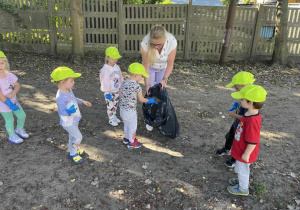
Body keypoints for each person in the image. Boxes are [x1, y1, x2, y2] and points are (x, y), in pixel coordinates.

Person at [227, 85, 267, 196]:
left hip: (244, 152)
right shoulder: (249, 113)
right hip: (241, 148)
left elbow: (253, 141)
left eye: (242, 99)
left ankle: (243, 188)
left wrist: (246, 154)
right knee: (242, 169)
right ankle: (241, 181)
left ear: (250, 103)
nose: (240, 101)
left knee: (242, 170)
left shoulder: (252, 121)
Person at [51, 67, 92, 164]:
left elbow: (73, 98)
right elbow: (62, 112)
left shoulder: (69, 90)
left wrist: (82, 101)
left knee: (72, 136)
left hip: (74, 118)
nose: (74, 82)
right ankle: (73, 153)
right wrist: (69, 111)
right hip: (68, 122)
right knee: (78, 137)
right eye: (71, 80)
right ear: (62, 82)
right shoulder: (60, 97)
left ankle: (74, 149)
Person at [140, 25, 177, 131]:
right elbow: (146, 65)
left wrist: (164, 79)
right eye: (153, 44)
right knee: (151, 92)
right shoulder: (145, 43)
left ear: (165, 40)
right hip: (150, 68)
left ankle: (160, 116)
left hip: (163, 68)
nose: (156, 47)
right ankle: (151, 119)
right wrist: (147, 84)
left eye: (159, 44)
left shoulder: (172, 41)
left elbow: (170, 64)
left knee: (161, 90)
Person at [216, 71, 255, 168]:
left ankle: (235, 159)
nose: (235, 89)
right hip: (236, 124)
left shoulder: (250, 100)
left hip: (242, 127)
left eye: (236, 87)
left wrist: (234, 115)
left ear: (244, 85)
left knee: (238, 142)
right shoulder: (244, 94)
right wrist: (237, 106)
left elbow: (247, 118)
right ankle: (227, 149)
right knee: (229, 136)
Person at [119, 63, 157, 149]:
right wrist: (151, 100)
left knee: (126, 124)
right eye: (141, 76)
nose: (142, 78)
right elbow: (141, 99)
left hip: (122, 110)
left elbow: (120, 95)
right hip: (131, 112)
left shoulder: (124, 82)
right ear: (136, 75)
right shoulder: (136, 86)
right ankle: (132, 143)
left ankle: (126, 138)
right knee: (132, 127)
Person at [0, 51, 29, 144]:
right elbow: (1, 96)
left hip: (14, 100)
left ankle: (19, 129)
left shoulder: (9, 75)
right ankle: (12, 135)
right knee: (10, 119)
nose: (0, 66)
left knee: (22, 115)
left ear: (6, 63)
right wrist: (10, 105)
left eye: (1, 63)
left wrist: (13, 92)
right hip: (3, 104)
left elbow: (17, 85)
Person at [100, 47, 123, 126]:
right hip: (109, 92)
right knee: (110, 105)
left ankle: (114, 116)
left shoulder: (117, 67)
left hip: (116, 89)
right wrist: (106, 92)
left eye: (116, 58)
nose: (115, 60)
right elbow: (104, 80)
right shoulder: (105, 69)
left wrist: (121, 86)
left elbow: (120, 76)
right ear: (107, 57)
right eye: (113, 58)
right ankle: (111, 119)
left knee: (115, 104)